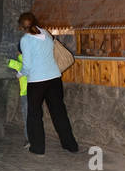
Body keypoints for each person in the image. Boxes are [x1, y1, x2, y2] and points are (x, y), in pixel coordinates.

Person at [16, 11, 81, 157]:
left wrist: (19, 74)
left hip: (37, 81)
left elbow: (27, 65)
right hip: (54, 78)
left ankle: (38, 147)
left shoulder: (26, 40)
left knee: (34, 114)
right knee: (59, 112)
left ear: (21, 26)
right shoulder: (45, 33)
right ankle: (70, 144)